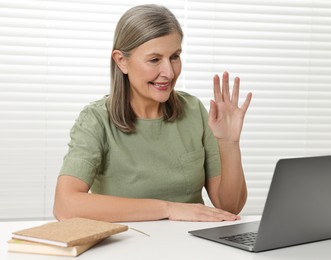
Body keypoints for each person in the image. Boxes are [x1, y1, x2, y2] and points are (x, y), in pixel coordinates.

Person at [53, 4, 252, 223]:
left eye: (174, 56)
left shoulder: (194, 111)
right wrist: (168, 209)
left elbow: (229, 206)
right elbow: (65, 205)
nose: (168, 72)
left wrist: (230, 143)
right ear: (122, 61)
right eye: (155, 59)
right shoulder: (96, 120)